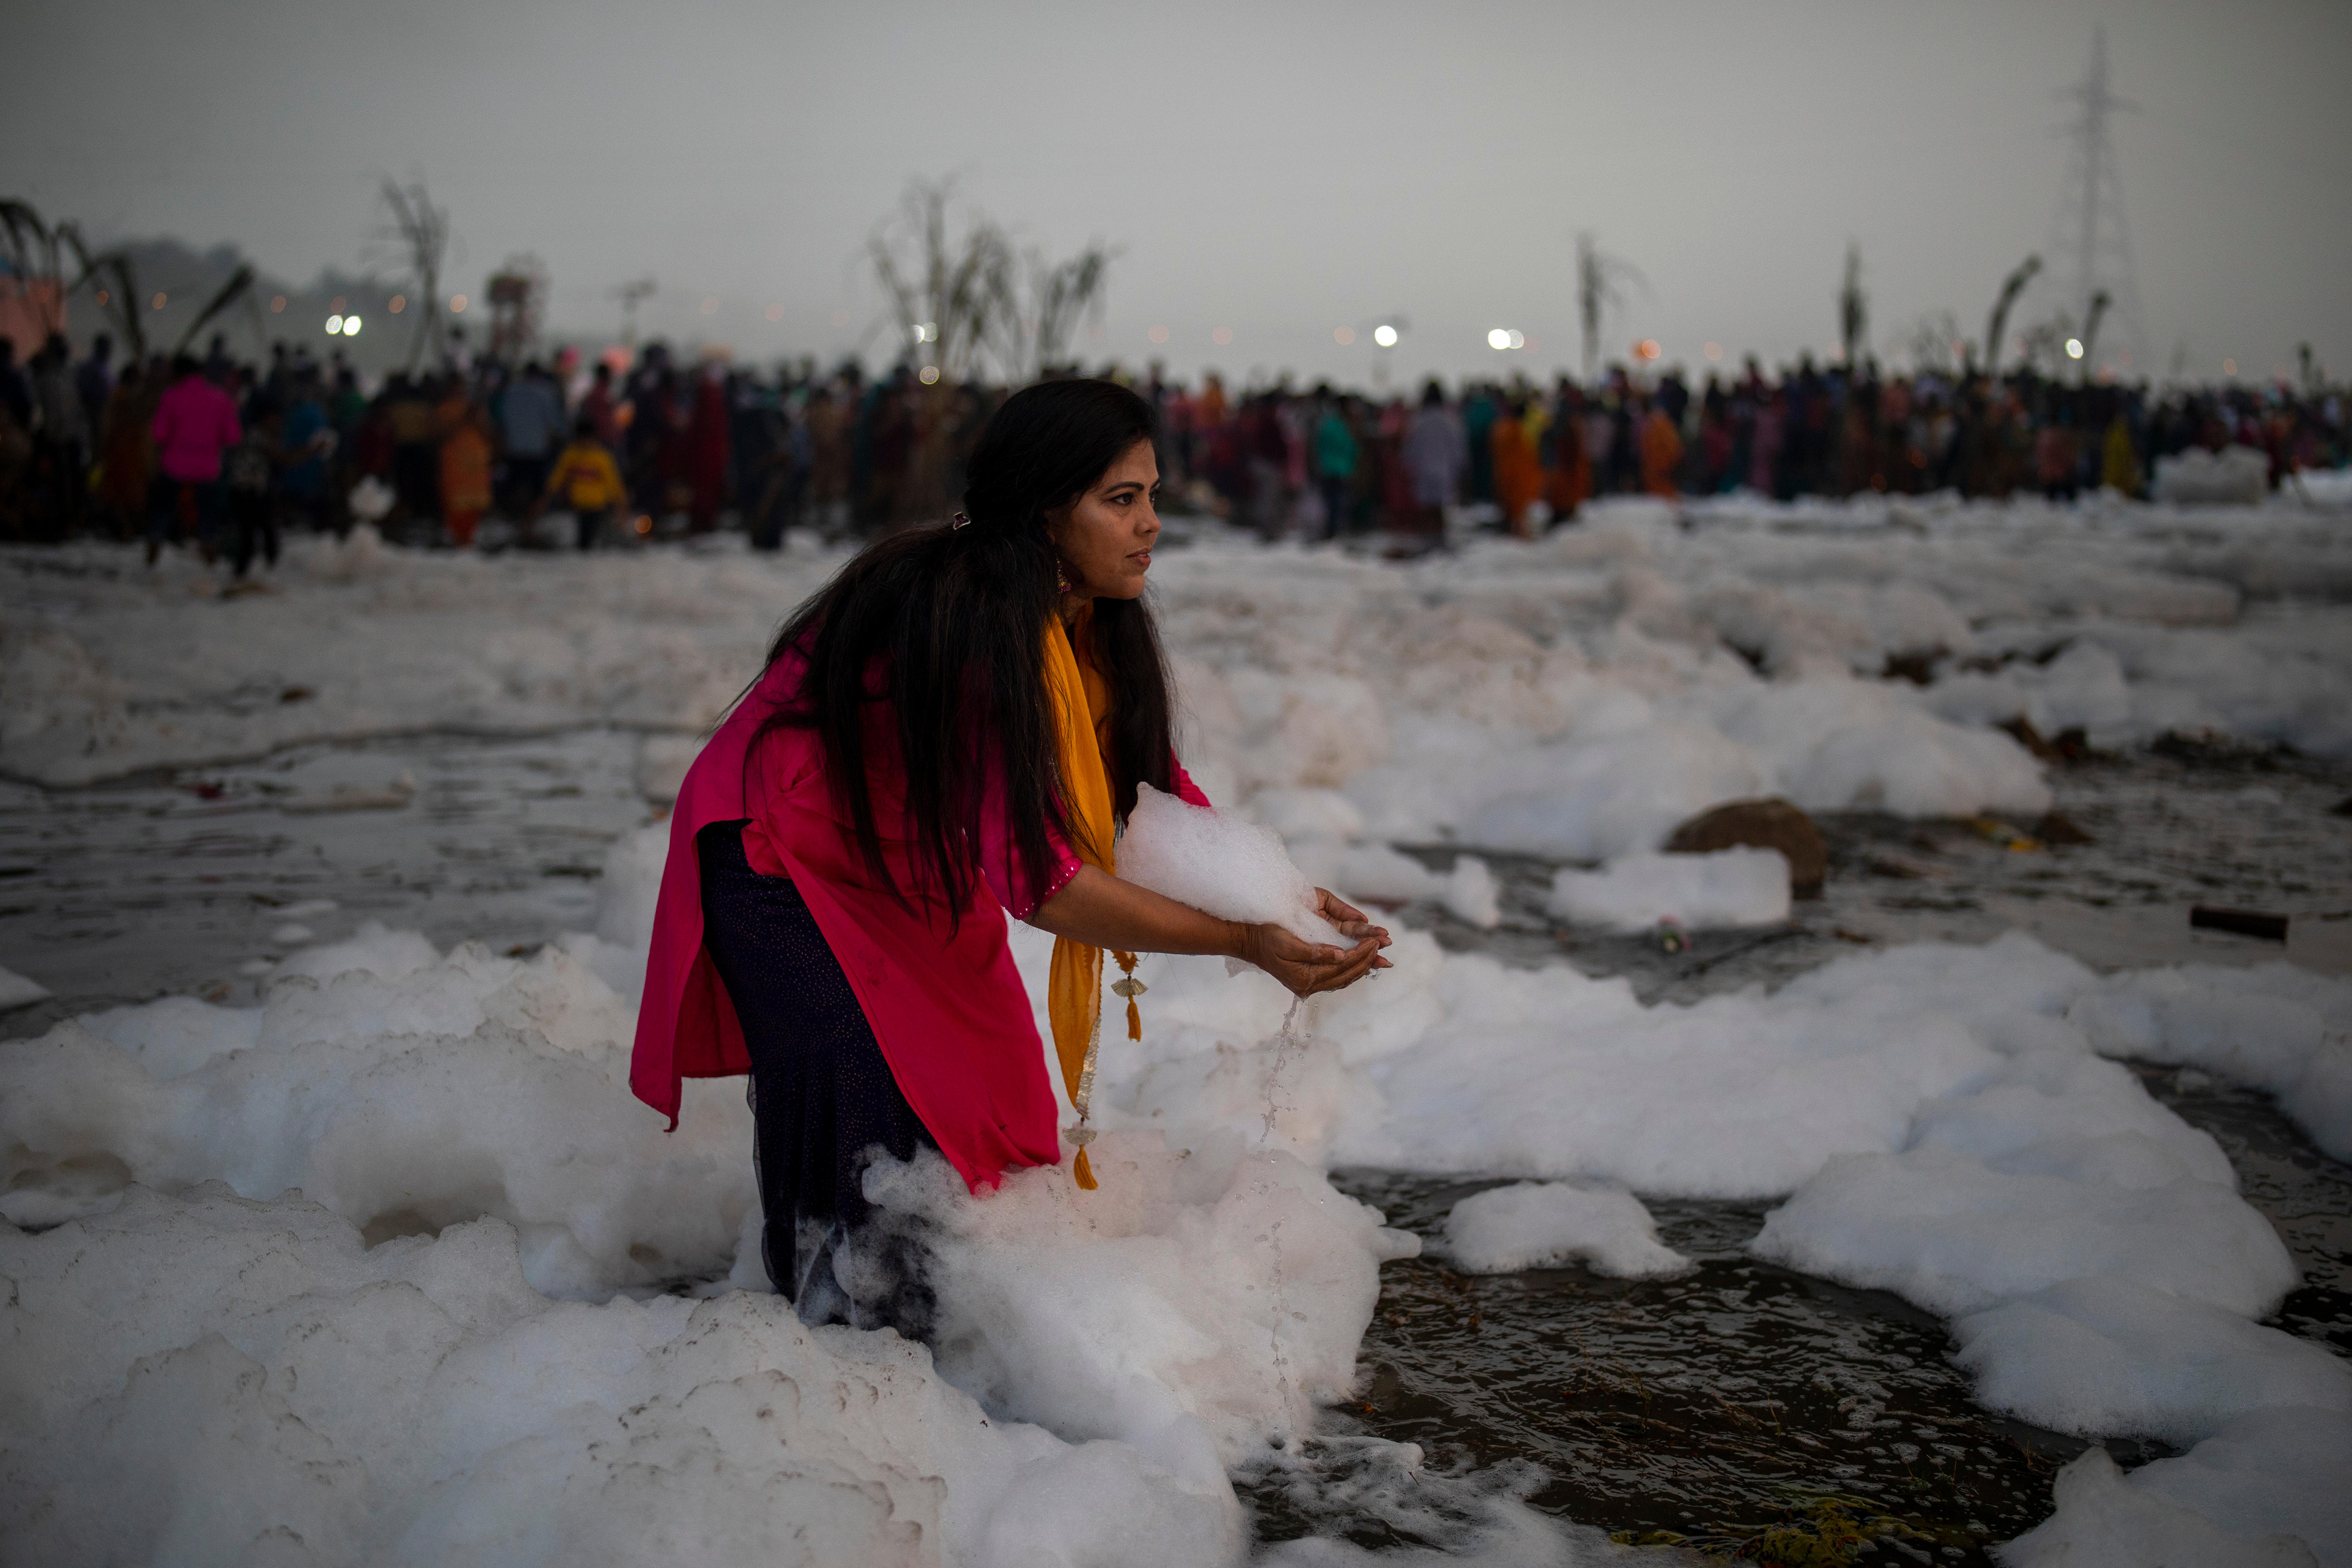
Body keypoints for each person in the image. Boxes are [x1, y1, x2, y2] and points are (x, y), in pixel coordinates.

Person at [630, 379, 1390, 1326]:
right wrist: (1243, 942)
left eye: (1153, 494)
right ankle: (821, 1354)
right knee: (867, 1117)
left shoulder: (1094, 611)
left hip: (900, 850)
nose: (1151, 523)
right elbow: (1043, 884)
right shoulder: (972, 619)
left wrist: (1282, 900)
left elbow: (1141, 796)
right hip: (777, 854)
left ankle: (954, 1343)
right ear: (1041, 512)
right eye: (1121, 500)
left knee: (985, 1106)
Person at [148, 354, 241, 565]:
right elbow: (233, 437)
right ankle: (210, 559)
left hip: (174, 465)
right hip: (208, 468)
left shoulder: (171, 396)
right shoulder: (220, 398)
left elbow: (159, 434)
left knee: (163, 511)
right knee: (208, 515)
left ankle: (152, 556)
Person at [542, 415, 626, 550]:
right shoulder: (571, 455)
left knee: (589, 543)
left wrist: (620, 509)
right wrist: (545, 499)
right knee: (578, 543)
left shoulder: (602, 458)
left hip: (597, 507)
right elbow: (556, 479)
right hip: (575, 506)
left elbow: (615, 485)